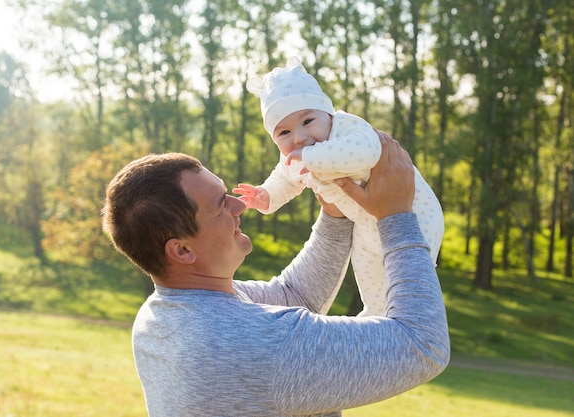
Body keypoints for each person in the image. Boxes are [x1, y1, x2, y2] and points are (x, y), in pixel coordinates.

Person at [101, 132, 449, 417]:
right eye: (221, 205)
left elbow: (297, 295)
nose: (239, 206)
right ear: (182, 250)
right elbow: (421, 345)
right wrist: (397, 217)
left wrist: (335, 208)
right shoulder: (251, 344)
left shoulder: (160, 317)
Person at [236, 56, 445, 316]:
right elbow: (285, 179)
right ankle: (376, 316)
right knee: (369, 277)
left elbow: (367, 151)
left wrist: (312, 158)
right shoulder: (294, 156)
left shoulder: (346, 127)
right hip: (365, 225)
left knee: (407, 280)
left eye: (308, 121)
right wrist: (265, 196)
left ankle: (413, 321)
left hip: (413, 214)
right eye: (284, 133)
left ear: (327, 113)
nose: (299, 137)